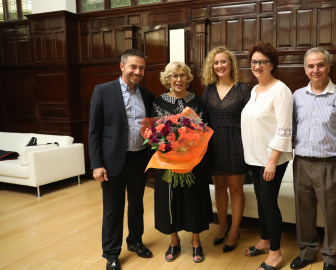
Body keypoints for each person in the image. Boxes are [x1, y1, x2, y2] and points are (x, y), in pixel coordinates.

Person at [289, 47, 336, 270]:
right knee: (303, 212)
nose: (316, 70)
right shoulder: (297, 96)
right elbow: (292, 128)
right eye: (311, 66)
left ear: (329, 67)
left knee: (333, 214)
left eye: (320, 65)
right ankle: (307, 252)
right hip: (302, 163)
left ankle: (331, 257)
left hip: (331, 164)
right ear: (305, 69)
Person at [89, 49, 155, 270]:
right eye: (133, 67)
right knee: (113, 208)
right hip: (111, 162)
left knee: (137, 205)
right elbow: (94, 132)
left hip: (139, 159)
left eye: (141, 68)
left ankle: (135, 241)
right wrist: (97, 164)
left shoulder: (147, 95)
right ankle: (111, 253)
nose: (137, 71)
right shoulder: (103, 91)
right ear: (122, 67)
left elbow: (152, 129)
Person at [153, 61, 213, 263]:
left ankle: (196, 242)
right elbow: (155, 132)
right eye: (174, 76)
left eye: (182, 75)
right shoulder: (159, 101)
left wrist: (188, 147)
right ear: (167, 79)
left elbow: (203, 128)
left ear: (187, 78)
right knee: (170, 199)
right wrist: (170, 147)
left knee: (193, 198)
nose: (178, 79)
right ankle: (174, 241)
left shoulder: (197, 100)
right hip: (168, 160)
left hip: (193, 160)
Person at [241, 41, 293, 270]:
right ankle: (264, 240)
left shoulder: (281, 90)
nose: (257, 66)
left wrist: (272, 162)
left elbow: (284, 129)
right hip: (254, 157)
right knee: (261, 201)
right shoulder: (255, 89)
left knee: (269, 203)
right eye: (254, 61)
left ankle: (276, 253)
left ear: (272, 64)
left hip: (271, 159)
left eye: (262, 61)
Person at [201, 46, 251, 252]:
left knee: (236, 189)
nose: (220, 65)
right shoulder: (208, 89)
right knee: (219, 188)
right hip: (213, 144)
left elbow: (251, 119)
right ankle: (222, 227)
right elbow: (202, 119)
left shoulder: (243, 88)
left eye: (223, 61)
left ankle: (234, 231)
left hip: (236, 142)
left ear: (231, 64)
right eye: (216, 62)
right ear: (211, 66)